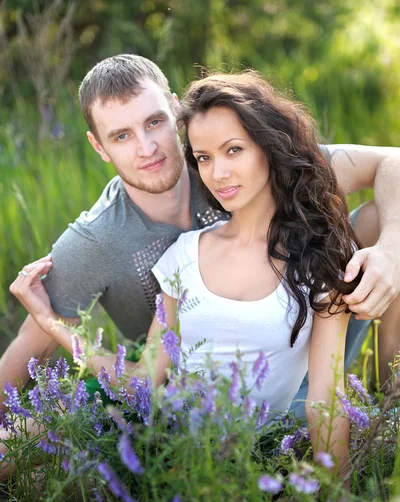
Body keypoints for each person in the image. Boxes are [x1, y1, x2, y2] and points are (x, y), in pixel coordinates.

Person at [8, 70, 365, 474]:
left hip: (260, 448)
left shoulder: (321, 255)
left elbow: (324, 398)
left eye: (234, 150)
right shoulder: (182, 254)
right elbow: (143, 380)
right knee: (20, 448)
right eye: (205, 158)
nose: (219, 173)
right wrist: (50, 322)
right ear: (99, 145)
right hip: (168, 441)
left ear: (268, 147)